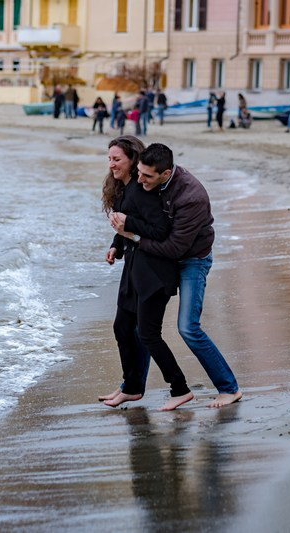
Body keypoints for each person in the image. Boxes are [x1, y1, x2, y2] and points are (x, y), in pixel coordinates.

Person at [111, 143, 242, 408]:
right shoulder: (149, 180)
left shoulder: (191, 196)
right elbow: (140, 216)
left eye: (147, 176)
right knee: (140, 327)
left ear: (166, 173)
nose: (140, 180)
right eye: (139, 173)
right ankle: (134, 387)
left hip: (191, 260)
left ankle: (229, 388)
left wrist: (132, 235)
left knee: (188, 328)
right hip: (162, 261)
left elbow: (173, 248)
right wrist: (120, 240)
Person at [102, 137, 192, 410]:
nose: (112, 164)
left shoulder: (144, 191)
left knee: (148, 334)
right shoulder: (124, 190)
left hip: (154, 273)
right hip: (134, 269)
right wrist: (116, 246)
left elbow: (159, 231)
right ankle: (130, 387)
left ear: (132, 160)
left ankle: (180, 388)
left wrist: (128, 224)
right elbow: (125, 228)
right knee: (121, 327)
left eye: (117, 159)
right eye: (109, 159)